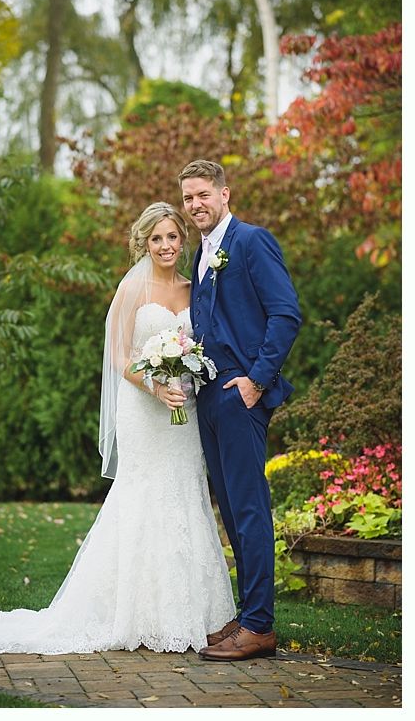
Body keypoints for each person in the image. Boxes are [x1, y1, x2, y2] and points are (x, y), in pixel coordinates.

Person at [0, 202, 235, 655]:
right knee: (142, 496)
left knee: (185, 493)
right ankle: (129, 613)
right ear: (145, 242)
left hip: (184, 411)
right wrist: (156, 387)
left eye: (172, 237)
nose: (166, 246)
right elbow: (120, 357)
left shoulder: (193, 288)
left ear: (183, 239)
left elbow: (201, 344)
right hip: (144, 407)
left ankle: (192, 614)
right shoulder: (132, 288)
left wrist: (185, 378)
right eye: (156, 239)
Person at [180, 159, 301, 661]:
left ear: (225, 194)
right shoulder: (202, 255)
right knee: (231, 511)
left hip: (241, 396)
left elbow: (286, 313)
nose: (195, 205)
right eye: (188, 198)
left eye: (203, 194)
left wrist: (256, 379)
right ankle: (247, 615)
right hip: (209, 396)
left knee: (249, 509)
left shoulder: (251, 241)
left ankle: (260, 627)